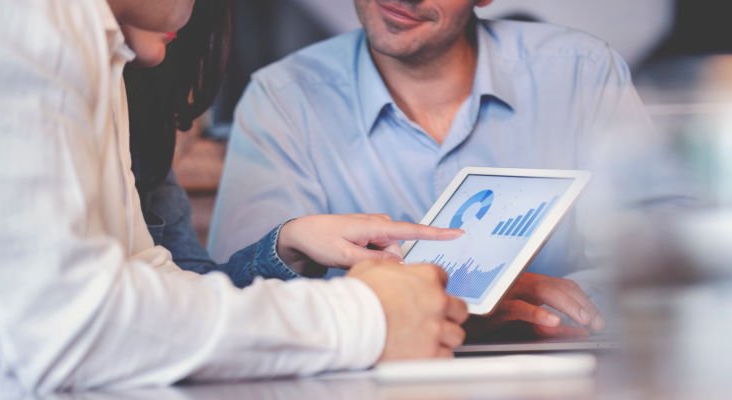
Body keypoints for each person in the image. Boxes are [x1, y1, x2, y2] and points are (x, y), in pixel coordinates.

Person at [0, 0, 468, 400]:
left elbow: (152, 275)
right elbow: (67, 325)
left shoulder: (98, 48)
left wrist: (302, 254)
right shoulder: (12, 15)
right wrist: (365, 315)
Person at [209, 0, 650, 338]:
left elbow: (663, 256)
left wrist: (554, 304)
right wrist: (453, 302)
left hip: (559, 387)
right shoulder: (283, 99)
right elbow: (244, 299)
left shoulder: (583, 74)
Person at [124, 2, 465, 288]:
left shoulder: (138, 119)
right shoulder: (282, 95)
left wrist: (289, 242)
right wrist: (370, 312)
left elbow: (194, 294)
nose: (186, 11)